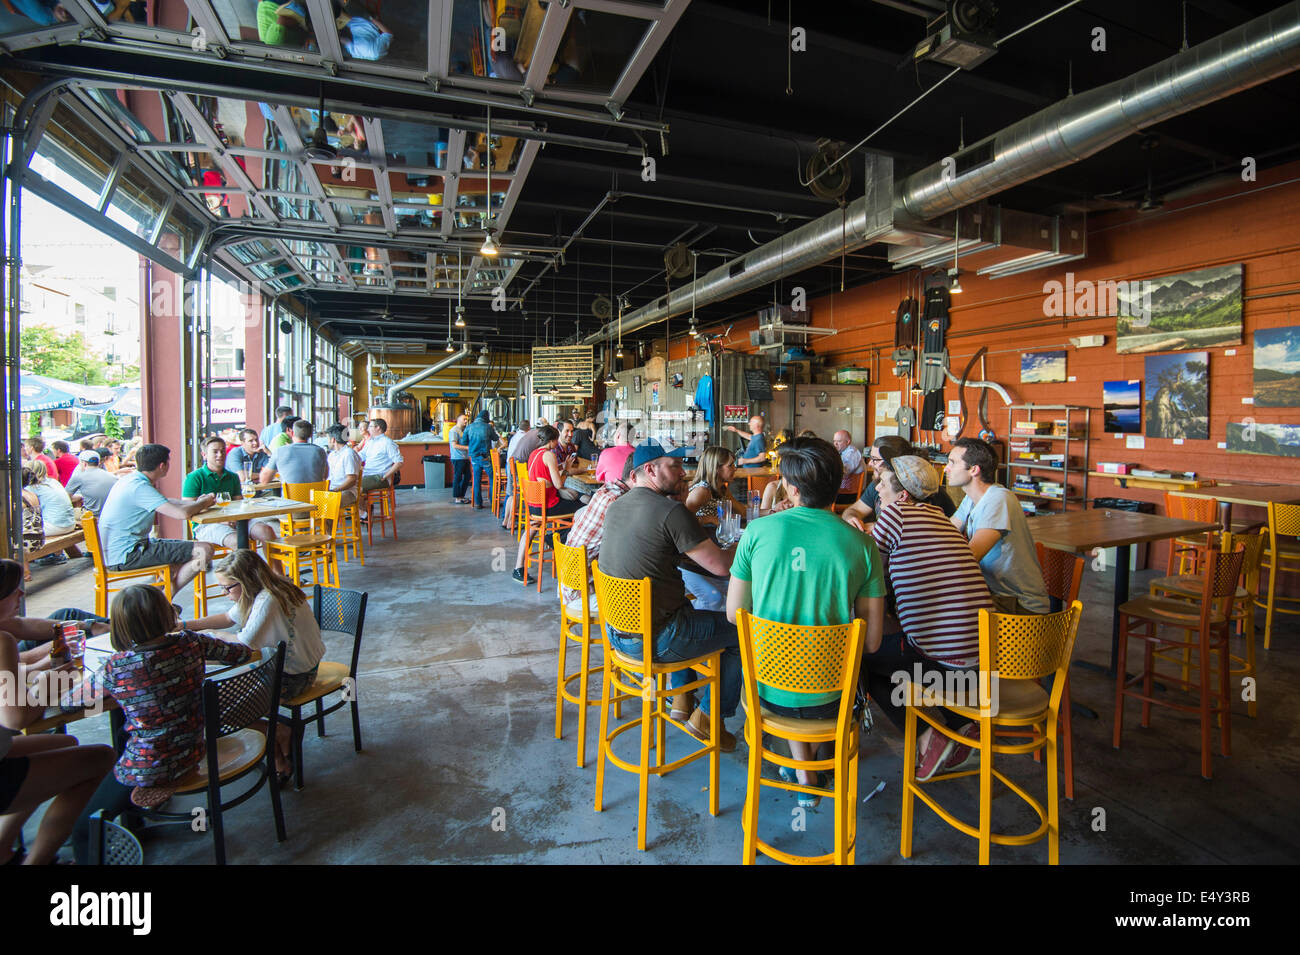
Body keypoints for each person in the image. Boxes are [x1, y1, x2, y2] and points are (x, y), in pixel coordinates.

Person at [726, 438, 886, 804]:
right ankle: (808, 771)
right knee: (820, 672)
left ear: (792, 489)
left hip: (766, 691)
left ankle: (804, 774)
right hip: (834, 698)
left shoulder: (757, 533)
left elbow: (734, 613)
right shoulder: (862, 546)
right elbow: (873, 641)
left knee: (793, 671)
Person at [61, 585, 254, 863]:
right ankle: (137, 819)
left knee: (82, 828)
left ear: (121, 626)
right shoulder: (192, 642)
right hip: (192, 749)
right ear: (166, 614)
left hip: (151, 767)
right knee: (122, 734)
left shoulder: (118, 666)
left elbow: (70, 703)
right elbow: (241, 654)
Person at [598, 441, 742, 750]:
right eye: (674, 467)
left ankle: (681, 701)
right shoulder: (671, 511)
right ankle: (708, 716)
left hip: (617, 634)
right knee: (743, 633)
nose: (683, 473)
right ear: (650, 470)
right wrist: (747, 547)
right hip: (658, 640)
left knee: (686, 607)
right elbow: (719, 567)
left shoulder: (616, 504)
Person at [865, 456, 993, 780]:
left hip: (945, 668)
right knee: (899, 646)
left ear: (903, 495)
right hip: (984, 666)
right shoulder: (940, 516)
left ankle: (927, 737)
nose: (877, 488)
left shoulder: (895, 514)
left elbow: (869, 579)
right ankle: (961, 725)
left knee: (860, 660)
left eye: (883, 482)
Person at [0, 563, 117, 865]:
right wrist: (46, 686)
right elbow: (16, 718)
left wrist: (40, 668)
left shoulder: (6, 632)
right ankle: (37, 861)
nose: (22, 593)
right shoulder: (2, 641)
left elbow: (24, 628)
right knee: (101, 758)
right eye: (15, 591)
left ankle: (3, 848)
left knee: (63, 745)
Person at [188, 549, 326, 777]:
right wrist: (186, 626)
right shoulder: (272, 588)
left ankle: (278, 734)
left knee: (216, 712)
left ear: (246, 581)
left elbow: (245, 644)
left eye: (228, 587)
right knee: (213, 701)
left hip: (294, 677)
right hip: (291, 669)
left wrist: (211, 634)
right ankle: (277, 737)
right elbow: (227, 618)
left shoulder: (268, 600)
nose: (224, 593)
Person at [946, 437, 1050, 614]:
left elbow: (970, 557)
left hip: (1020, 605)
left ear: (973, 469)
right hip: (997, 595)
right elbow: (946, 533)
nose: (946, 468)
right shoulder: (971, 499)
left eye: (952, 463)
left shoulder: (998, 499)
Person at [99, 443, 217, 592]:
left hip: (119, 552)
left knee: (178, 562)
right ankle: (165, 599)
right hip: (129, 554)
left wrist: (197, 503)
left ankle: (155, 603)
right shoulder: (140, 488)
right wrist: (204, 503)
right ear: (162, 466)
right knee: (204, 550)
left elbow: (165, 502)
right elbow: (182, 514)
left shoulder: (130, 480)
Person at [561, 453, 638, 605]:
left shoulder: (609, 488)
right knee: (648, 600)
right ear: (635, 476)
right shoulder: (618, 503)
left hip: (569, 584)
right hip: (582, 593)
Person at [840, 436, 956, 532]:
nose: (870, 463)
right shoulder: (878, 484)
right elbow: (854, 510)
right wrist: (851, 518)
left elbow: (922, 529)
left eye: (875, 459)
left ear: (895, 461)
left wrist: (879, 527)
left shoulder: (922, 490)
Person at [512, 426, 583, 582]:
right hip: (549, 506)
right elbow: (558, 484)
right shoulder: (549, 455)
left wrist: (561, 466)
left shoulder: (534, 454)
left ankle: (518, 568)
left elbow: (544, 472)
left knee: (532, 528)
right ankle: (555, 541)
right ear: (552, 440)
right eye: (556, 439)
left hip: (534, 506)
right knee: (583, 509)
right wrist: (566, 470)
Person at [185, 436, 277, 550]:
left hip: (235, 519)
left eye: (223, 451)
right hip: (206, 525)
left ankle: (274, 569)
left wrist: (236, 517)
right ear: (204, 455)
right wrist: (222, 520)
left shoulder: (233, 477)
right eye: (215, 452)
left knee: (266, 531)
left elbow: (239, 504)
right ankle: (246, 568)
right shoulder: (194, 478)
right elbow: (188, 510)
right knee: (239, 542)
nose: (220, 454)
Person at [25, 460, 82, 565]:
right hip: (69, 523)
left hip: (55, 526)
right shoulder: (53, 482)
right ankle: (54, 554)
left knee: (20, 531)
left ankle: (48, 555)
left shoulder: (32, 488)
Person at [260, 418, 328, 486]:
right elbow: (324, 476)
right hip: (314, 496)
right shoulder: (320, 451)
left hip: (290, 496)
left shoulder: (280, 451)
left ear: (292, 433)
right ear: (311, 435)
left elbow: (264, 479)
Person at [684, 446, 741, 522]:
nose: (735, 468)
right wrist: (708, 518)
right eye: (730, 465)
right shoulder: (702, 491)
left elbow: (742, 512)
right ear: (716, 468)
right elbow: (683, 520)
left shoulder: (721, 488)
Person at [464, 410, 499, 510]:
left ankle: (478, 503)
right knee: (492, 479)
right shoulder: (488, 427)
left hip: (474, 457)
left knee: (476, 480)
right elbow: (495, 438)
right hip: (485, 457)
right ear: (486, 418)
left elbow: (463, 441)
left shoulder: (469, 427)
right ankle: (493, 502)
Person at [66, 450, 116, 518]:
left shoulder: (79, 476)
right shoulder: (112, 476)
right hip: (111, 514)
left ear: (84, 463)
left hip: (92, 516)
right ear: (98, 463)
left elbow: (65, 497)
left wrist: (80, 497)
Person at [358, 418, 403, 492]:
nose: (368, 429)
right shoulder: (370, 442)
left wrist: (385, 476)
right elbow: (361, 456)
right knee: (347, 483)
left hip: (379, 477)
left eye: (370, 427)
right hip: (367, 475)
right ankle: (367, 503)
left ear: (378, 428)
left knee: (354, 487)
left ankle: (364, 503)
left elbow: (399, 462)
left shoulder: (387, 443)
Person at [325, 424, 361, 506]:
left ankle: (329, 519)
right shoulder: (332, 454)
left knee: (327, 503)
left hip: (347, 492)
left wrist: (334, 491)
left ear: (333, 440)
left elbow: (351, 480)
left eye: (328, 439)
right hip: (332, 489)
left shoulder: (349, 454)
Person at [832, 430, 866, 506]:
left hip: (849, 495)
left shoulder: (852, 453)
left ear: (848, 442)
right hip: (844, 493)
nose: (835, 444)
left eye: (839, 441)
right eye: (834, 441)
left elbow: (843, 471)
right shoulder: (843, 453)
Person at [448, 412, 472, 505]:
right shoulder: (454, 431)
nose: (466, 421)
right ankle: (458, 498)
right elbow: (454, 445)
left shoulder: (464, 430)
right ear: (458, 420)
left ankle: (461, 496)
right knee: (458, 477)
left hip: (464, 457)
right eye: (464, 419)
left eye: (466, 419)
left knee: (467, 476)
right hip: (457, 457)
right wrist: (468, 448)